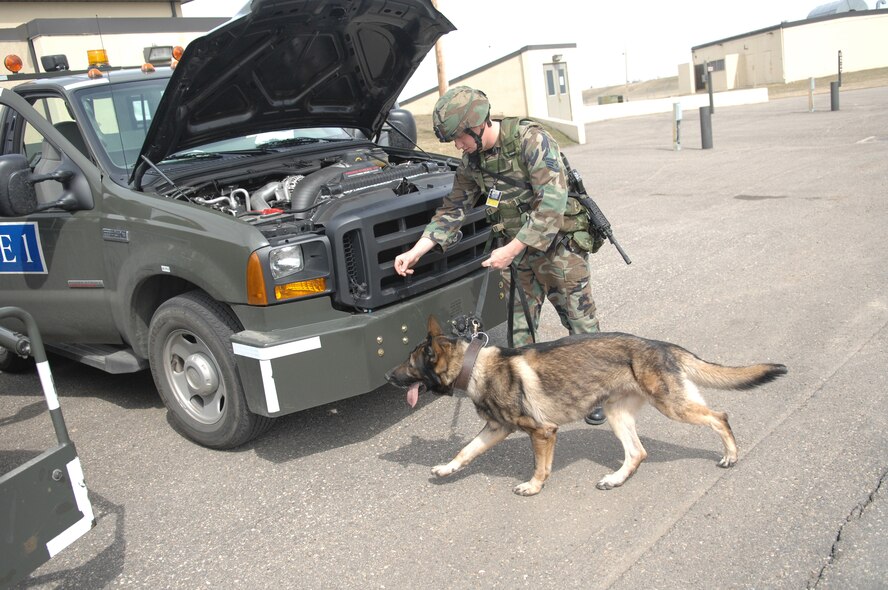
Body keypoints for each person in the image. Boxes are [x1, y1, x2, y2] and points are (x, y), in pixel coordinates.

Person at [393, 86, 606, 425]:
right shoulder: (472, 162)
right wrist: (418, 250)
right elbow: (453, 209)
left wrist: (510, 249)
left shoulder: (531, 140)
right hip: (517, 257)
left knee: (580, 326)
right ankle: (528, 395)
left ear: (477, 124)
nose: (457, 146)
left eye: (459, 137)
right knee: (521, 335)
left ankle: (597, 390)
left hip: (560, 250)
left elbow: (552, 203)